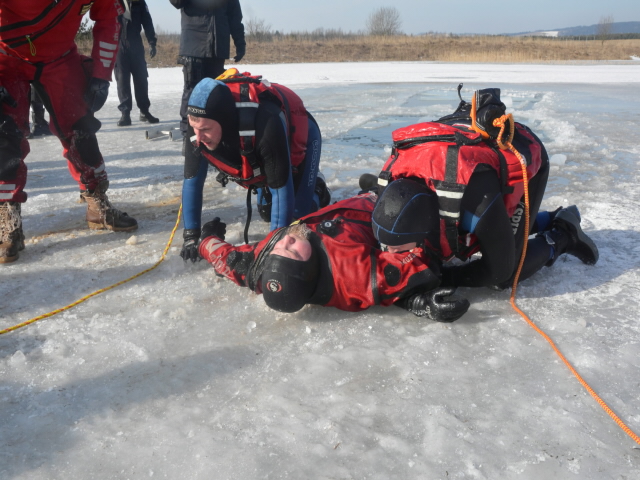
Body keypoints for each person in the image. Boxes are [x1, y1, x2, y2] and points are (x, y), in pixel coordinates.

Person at [367, 87, 598, 299]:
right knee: (482, 235)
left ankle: (563, 234)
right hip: (454, 155)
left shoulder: (474, 203)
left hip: (522, 157)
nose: (391, 254)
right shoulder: (389, 180)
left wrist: (444, 277)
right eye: (387, 247)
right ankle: (550, 217)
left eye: (401, 249)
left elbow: (496, 271)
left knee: (506, 274)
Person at [0, 0, 138, 264]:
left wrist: (101, 75)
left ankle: (96, 200)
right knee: (4, 135)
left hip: (59, 56)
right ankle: (6, 217)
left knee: (81, 127)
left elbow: (109, 19)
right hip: (6, 55)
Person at [196, 191, 470, 321]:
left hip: (347, 204)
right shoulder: (351, 275)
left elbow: (225, 259)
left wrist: (206, 238)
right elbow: (415, 265)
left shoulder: (260, 262)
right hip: (383, 205)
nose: (286, 239)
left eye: (279, 249)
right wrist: (417, 301)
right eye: (292, 251)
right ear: (309, 271)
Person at [179, 71, 331, 261]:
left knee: (296, 219)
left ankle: (317, 188)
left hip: (301, 139)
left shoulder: (266, 124)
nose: (198, 137)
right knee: (268, 212)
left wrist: (273, 249)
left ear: (224, 122)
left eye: (205, 129)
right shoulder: (197, 133)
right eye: (194, 128)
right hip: (262, 158)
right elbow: (192, 181)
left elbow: (281, 190)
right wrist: (191, 237)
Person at [169, 0, 246, 141]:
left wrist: (240, 42)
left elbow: (235, 16)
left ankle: (213, 134)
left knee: (215, 93)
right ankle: (188, 135)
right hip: (194, 45)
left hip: (218, 47)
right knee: (191, 90)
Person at [115, 0, 159, 127]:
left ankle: (144, 111)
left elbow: (147, 22)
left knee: (141, 79)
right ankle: (125, 114)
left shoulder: (140, 3)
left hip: (136, 46)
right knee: (122, 80)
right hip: (119, 46)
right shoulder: (113, 2)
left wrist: (152, 43)